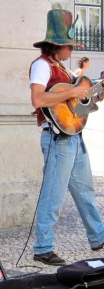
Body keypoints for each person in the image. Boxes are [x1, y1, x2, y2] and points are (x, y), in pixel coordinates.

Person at [29, 9, 104, 266]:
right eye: (69, 47)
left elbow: (78, 105)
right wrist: (74, 90)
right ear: (57, 46)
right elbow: (38, 99)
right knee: (53, 194)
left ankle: (99, 237)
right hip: (57, 140)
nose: (71, 51)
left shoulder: (62, 68)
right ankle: (42, 247)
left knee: (85, 191)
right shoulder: (41, 66)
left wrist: (97, 94)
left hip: (73, 137)